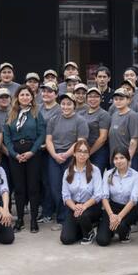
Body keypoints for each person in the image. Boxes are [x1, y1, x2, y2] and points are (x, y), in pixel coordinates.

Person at [3, 86, 46, 233]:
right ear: (17, 97)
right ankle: (20, 219)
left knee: (33, 187)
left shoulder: (36, 114)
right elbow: (6, 137)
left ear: (32, 98)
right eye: (22, 95)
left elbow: (41, 134)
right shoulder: (10, 114)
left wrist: (32, 152)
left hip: (33, 152)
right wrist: (14, 154)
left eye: (28, 95)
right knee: (19, 188)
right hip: (16, 153)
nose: (25, 97)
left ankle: (33, 219)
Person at [45, 93, 89, 229]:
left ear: (74, 105)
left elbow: (81, 141)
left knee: (69, 188)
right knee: (55, 188)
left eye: (69, 104)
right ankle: (61, 217)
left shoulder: (80, 120)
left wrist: (65, 155)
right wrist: (54, 155)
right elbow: (48, 139)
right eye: (63, 104)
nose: (65, 106)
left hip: (71, 157)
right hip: (54, 157)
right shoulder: (53, 119)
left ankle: (67, 219)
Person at [59, 139, 103, 245]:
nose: (82, 154)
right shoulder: (68, 172)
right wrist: (75, 207)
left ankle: (89, 233)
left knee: (83, 216)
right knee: (66, 239)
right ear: (74, 153)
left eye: (85, 152)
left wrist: (84, 206)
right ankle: (83, 229)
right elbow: (65, 195)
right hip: (74, 207)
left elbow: (98, 194)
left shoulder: (95, 170)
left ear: (88, 155)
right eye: (79, 151)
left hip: (91, 206)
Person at [96, 150, 138, 246]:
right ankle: (110, 230)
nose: (119, 161)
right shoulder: (108, 174)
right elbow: (104, 196)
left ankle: (125, 232)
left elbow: (133, 200)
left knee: (120, 226)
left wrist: (119, 217)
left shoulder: (136, 176)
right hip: (112, 208)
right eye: (116, 158)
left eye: (122, 158)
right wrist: (111, 215)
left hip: (128, 209)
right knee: (102, 240)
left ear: (128, 159)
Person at [37, 81, 61, 224]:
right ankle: (46, 210)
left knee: (52, 183)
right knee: (42, 182)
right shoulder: (37, 108)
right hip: (38, 150)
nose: (46, 94)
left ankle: (52, 211)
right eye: (44, 91)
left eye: (49, 91)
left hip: (53, 150)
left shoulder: (60, 109)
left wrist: (47, 145)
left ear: (56, 94)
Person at [108, 88, 138, 173]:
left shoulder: (132, 115)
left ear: (128, 100)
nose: (118, 101)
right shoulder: (114, 115)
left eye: (121, 99)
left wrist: (128, 159)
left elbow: (134, 140)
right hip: (115, 157)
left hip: (128, 158)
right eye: (116, 99)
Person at [83, 87, 111, 173]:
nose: (93, 99)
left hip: (99, 152)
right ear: (87, 99)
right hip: (84, 151)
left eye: (96, 97)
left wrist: (89, 152)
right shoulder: (83, 113)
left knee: (96, 176)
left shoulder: (103, 114)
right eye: (90, 97)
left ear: (100, 99)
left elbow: (103, 138)